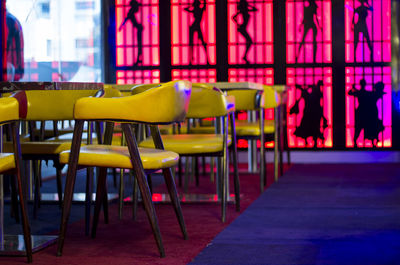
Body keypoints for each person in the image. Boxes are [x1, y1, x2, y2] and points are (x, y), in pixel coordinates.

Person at [290, 80, 327, 147]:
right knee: (309, 127)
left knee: (313, 127)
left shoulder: (315, 94)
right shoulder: (314, 95)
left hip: (313, 114)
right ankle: (311, 142)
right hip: (311, 114)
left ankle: (312, 141)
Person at [348, 79, 385, 147]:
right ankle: (372, 141)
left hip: (362, 111)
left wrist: (353, 88)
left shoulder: (360, 92)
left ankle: (355, 141)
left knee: (360, 127)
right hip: (367, 112)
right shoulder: (366, 92)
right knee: (366, 127)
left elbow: (350, 92)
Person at [232, 0, 258, 64]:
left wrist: (248, 5)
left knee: (249, 41)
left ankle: (245, 56)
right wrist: (238, 24)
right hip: (242, 28)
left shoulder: (245, 11)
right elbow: (233, 17)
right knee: (249, 41)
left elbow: (256, 9)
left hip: (243, 28)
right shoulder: (243, 11)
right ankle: (244, 56)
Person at [119, 0, 143, 66]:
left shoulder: (130, 12)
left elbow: (126, 20)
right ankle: (139, 59)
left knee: (139, 45)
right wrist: (121, 26)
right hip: (138, 27)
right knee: (139, 45)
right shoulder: (131, 12)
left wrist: (121, 27)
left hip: (138, 28)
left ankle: (139, 59)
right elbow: (126, 20)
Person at [184, 0, 208, 64]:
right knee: (194, 43)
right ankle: (191, 59)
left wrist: (191, 6)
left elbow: (186, 9)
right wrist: (191, 6)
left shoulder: (198, 10)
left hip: (195, 26)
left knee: (198, 43)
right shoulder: (198, 10)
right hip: (195, 26)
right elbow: (185, 9)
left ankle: (206, 59)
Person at [6, 11, 24, 81]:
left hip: (8, 74)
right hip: (12, 73)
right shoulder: (10, 19)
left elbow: (4, 48)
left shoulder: (8, 20)